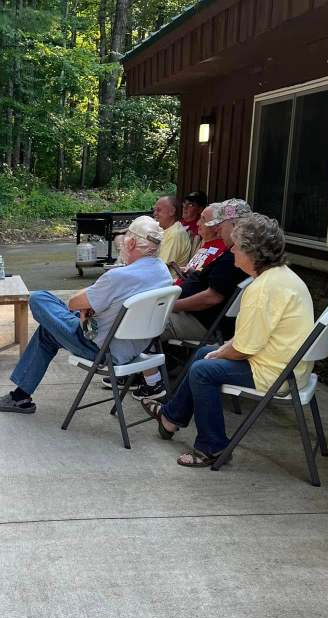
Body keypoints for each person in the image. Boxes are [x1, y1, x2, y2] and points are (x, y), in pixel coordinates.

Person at [141, 213, 315, 468]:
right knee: (203, 355)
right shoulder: (281, 275)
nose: (231, 250)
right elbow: (250, 340)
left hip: (277, 374)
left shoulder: (262, 289)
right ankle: (171, 417)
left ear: (252, 253)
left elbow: (243, 349)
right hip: (288, 366)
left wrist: (220, 353)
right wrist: (219, 351)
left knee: (203, 370)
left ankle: (212, 448)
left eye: (237, 246)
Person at [0, 216, 172, 414]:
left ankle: (19, 397)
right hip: (136, 347)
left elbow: (74, 302)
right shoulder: (162, 272)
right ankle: (20, 397)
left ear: (131, 243)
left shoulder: (119, 276)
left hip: (103, 350)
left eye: (126, 237)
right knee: (48, 331)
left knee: (39, 298)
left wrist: (84, 308)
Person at [129, 199, 252, 401]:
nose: (219, 229)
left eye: (222, 225)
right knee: (143, 312)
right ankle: (139, 374)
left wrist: (171, 305)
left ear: (236, 226)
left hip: (204, 323)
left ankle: (149, 381)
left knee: (142, 319)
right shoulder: (231, 254)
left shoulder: (232, 258)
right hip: (203, 318)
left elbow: (211, 298)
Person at [154, 195, 193, 270]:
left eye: (158, 210)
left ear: (172, 211)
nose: (155, 213)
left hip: (166, 276)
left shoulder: (175, 234)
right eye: (154, 210)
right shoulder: (166, 230)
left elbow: (161, 267)